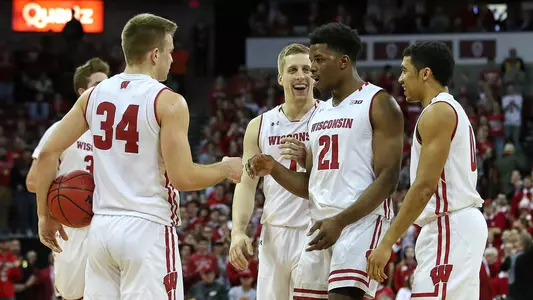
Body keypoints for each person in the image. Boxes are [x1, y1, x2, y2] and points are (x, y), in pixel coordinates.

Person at [33, 13, 243, 300]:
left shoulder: (93, 95)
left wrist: (45, 215)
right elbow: (183, 178)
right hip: (147, 228)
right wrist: (225, 168)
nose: (172, 59)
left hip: (102, 229)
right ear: (155, 54)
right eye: (170, 52)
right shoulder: (168, 101)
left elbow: (48, 151)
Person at [246, 23, 404, 300]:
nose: (313, 69)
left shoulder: (377, 102)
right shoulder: (319, 115)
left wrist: (340, 221)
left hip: (360, 223)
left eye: (318, 60)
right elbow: (313, 184)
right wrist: (274, 168)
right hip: (320, 225)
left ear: (343, 62)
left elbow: (389, 178)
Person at [366, 41, 488, 300]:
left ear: (425, 73)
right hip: (452, 226)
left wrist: (387, 243)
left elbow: (423, 188)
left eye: (405, 70)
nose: (400, 78)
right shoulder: (449, 109)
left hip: (449, 224)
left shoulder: (438, 112)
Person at [229, 43, 317, 299]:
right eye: (293, 70)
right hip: (274, 234)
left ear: (315, 75)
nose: (300, 75)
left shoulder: (327, 117)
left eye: (306, 69)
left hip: (315, 231)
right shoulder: (260, 125)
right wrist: (237, 231)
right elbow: (246, 184)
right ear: (281, 77)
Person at [25, 57, 109, 300]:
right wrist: (60, 200)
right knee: (73, 295)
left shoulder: (115, 132)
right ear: (82, 92)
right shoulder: (61, 130)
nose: (105, 89)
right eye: (98, 84)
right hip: (72, 221)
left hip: (107, 220)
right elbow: (32, 181)